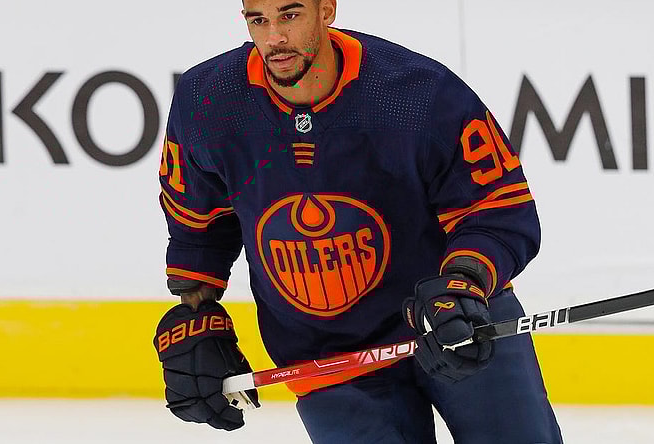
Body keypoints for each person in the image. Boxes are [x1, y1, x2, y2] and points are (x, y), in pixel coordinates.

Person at [153, 0, 563, 442]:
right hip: (325, 352)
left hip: (453, 321)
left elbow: (497, 208)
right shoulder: (207, 101)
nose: (274, 39)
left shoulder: (418, 94)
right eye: (259, 20)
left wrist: (464, 282)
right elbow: (198, 224)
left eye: (290, 16)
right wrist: (195, 312)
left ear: (326, 10)